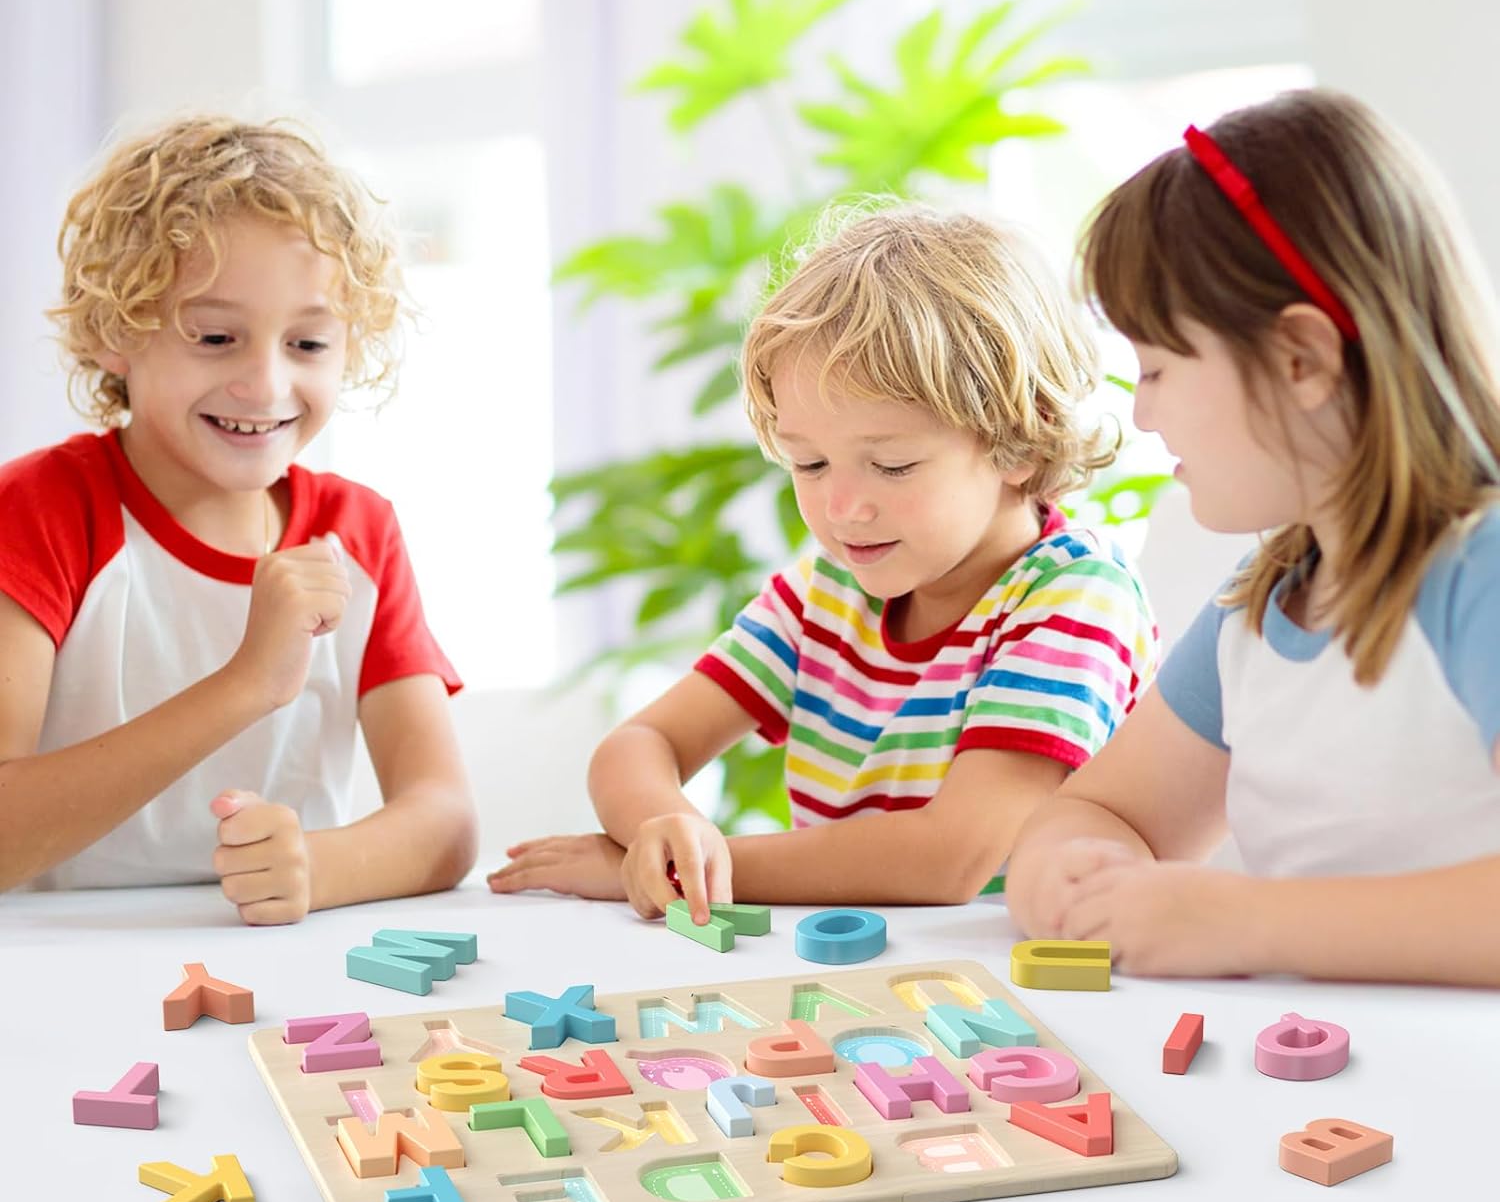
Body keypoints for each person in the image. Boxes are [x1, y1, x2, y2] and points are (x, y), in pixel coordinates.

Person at [491, 204, 1156, 920]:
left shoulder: (1075, 597)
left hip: (1037, 981)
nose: (842, 509)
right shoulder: (828, 590)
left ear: (1022, 445)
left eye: (892, 466)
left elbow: (951, 860)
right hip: (866, 970)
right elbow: (641, 742)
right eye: (808, 462)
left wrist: (700, 872)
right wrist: (665, 831)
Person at [1005, 88, 1500, 987]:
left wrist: (1251, 923)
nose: (1143, 411)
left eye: (1156, 366)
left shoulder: (1482, 573)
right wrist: (1073, 869)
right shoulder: (1263, 604)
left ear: (1301, 359)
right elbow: (1112, 814)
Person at [0, 115, 476, 920]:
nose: (265, 385)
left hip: (286, 978)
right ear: (118, 329)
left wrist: (320, 870)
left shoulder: (358, 532)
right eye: (216, 336)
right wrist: (247, 684)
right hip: (53, 972)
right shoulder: (41, 511)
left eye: (309, 344)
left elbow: (445, 820)